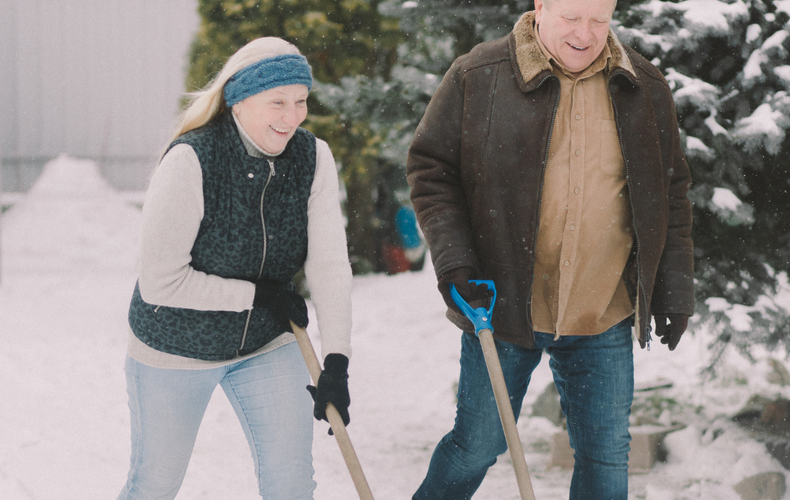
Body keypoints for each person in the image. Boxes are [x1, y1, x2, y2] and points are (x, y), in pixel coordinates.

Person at [406, 0, 694, 497]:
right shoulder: (479, 75)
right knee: (477, 446)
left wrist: (674, 287)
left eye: (599, 20)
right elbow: (432, 171)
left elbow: (670, 192)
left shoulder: (643, 86)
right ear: (541, 6)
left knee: (606, 458)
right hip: (501, 306)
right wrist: (455, 260)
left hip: (602, 308)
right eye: (572, 18)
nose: (586, 34)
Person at [118, 37, 353, 500]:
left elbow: (329, 265)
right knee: (155, 483)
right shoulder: (192, 159)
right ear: (238, 101)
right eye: (277, 102)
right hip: (177, 344)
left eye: (301, 101)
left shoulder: (312, 157)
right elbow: (160, 283)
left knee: (291, 484)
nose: (292, 117)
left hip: (264, 340)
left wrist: (337, 363)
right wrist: (257, 295)